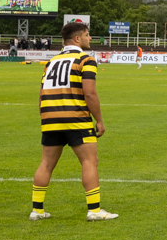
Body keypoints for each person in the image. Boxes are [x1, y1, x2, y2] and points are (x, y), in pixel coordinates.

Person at [30, 21, 117, 221]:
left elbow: (42, 94)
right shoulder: (86, 60)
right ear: (77, 38)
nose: (90, 38)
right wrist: (99, 120)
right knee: (89, 161)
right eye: (87, 35)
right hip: (76, 118)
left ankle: (37, 211)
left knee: (46, 164)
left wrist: (45, 118)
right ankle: (94, 210)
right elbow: (90, 94)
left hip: (50, 118)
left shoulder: (51, 62)